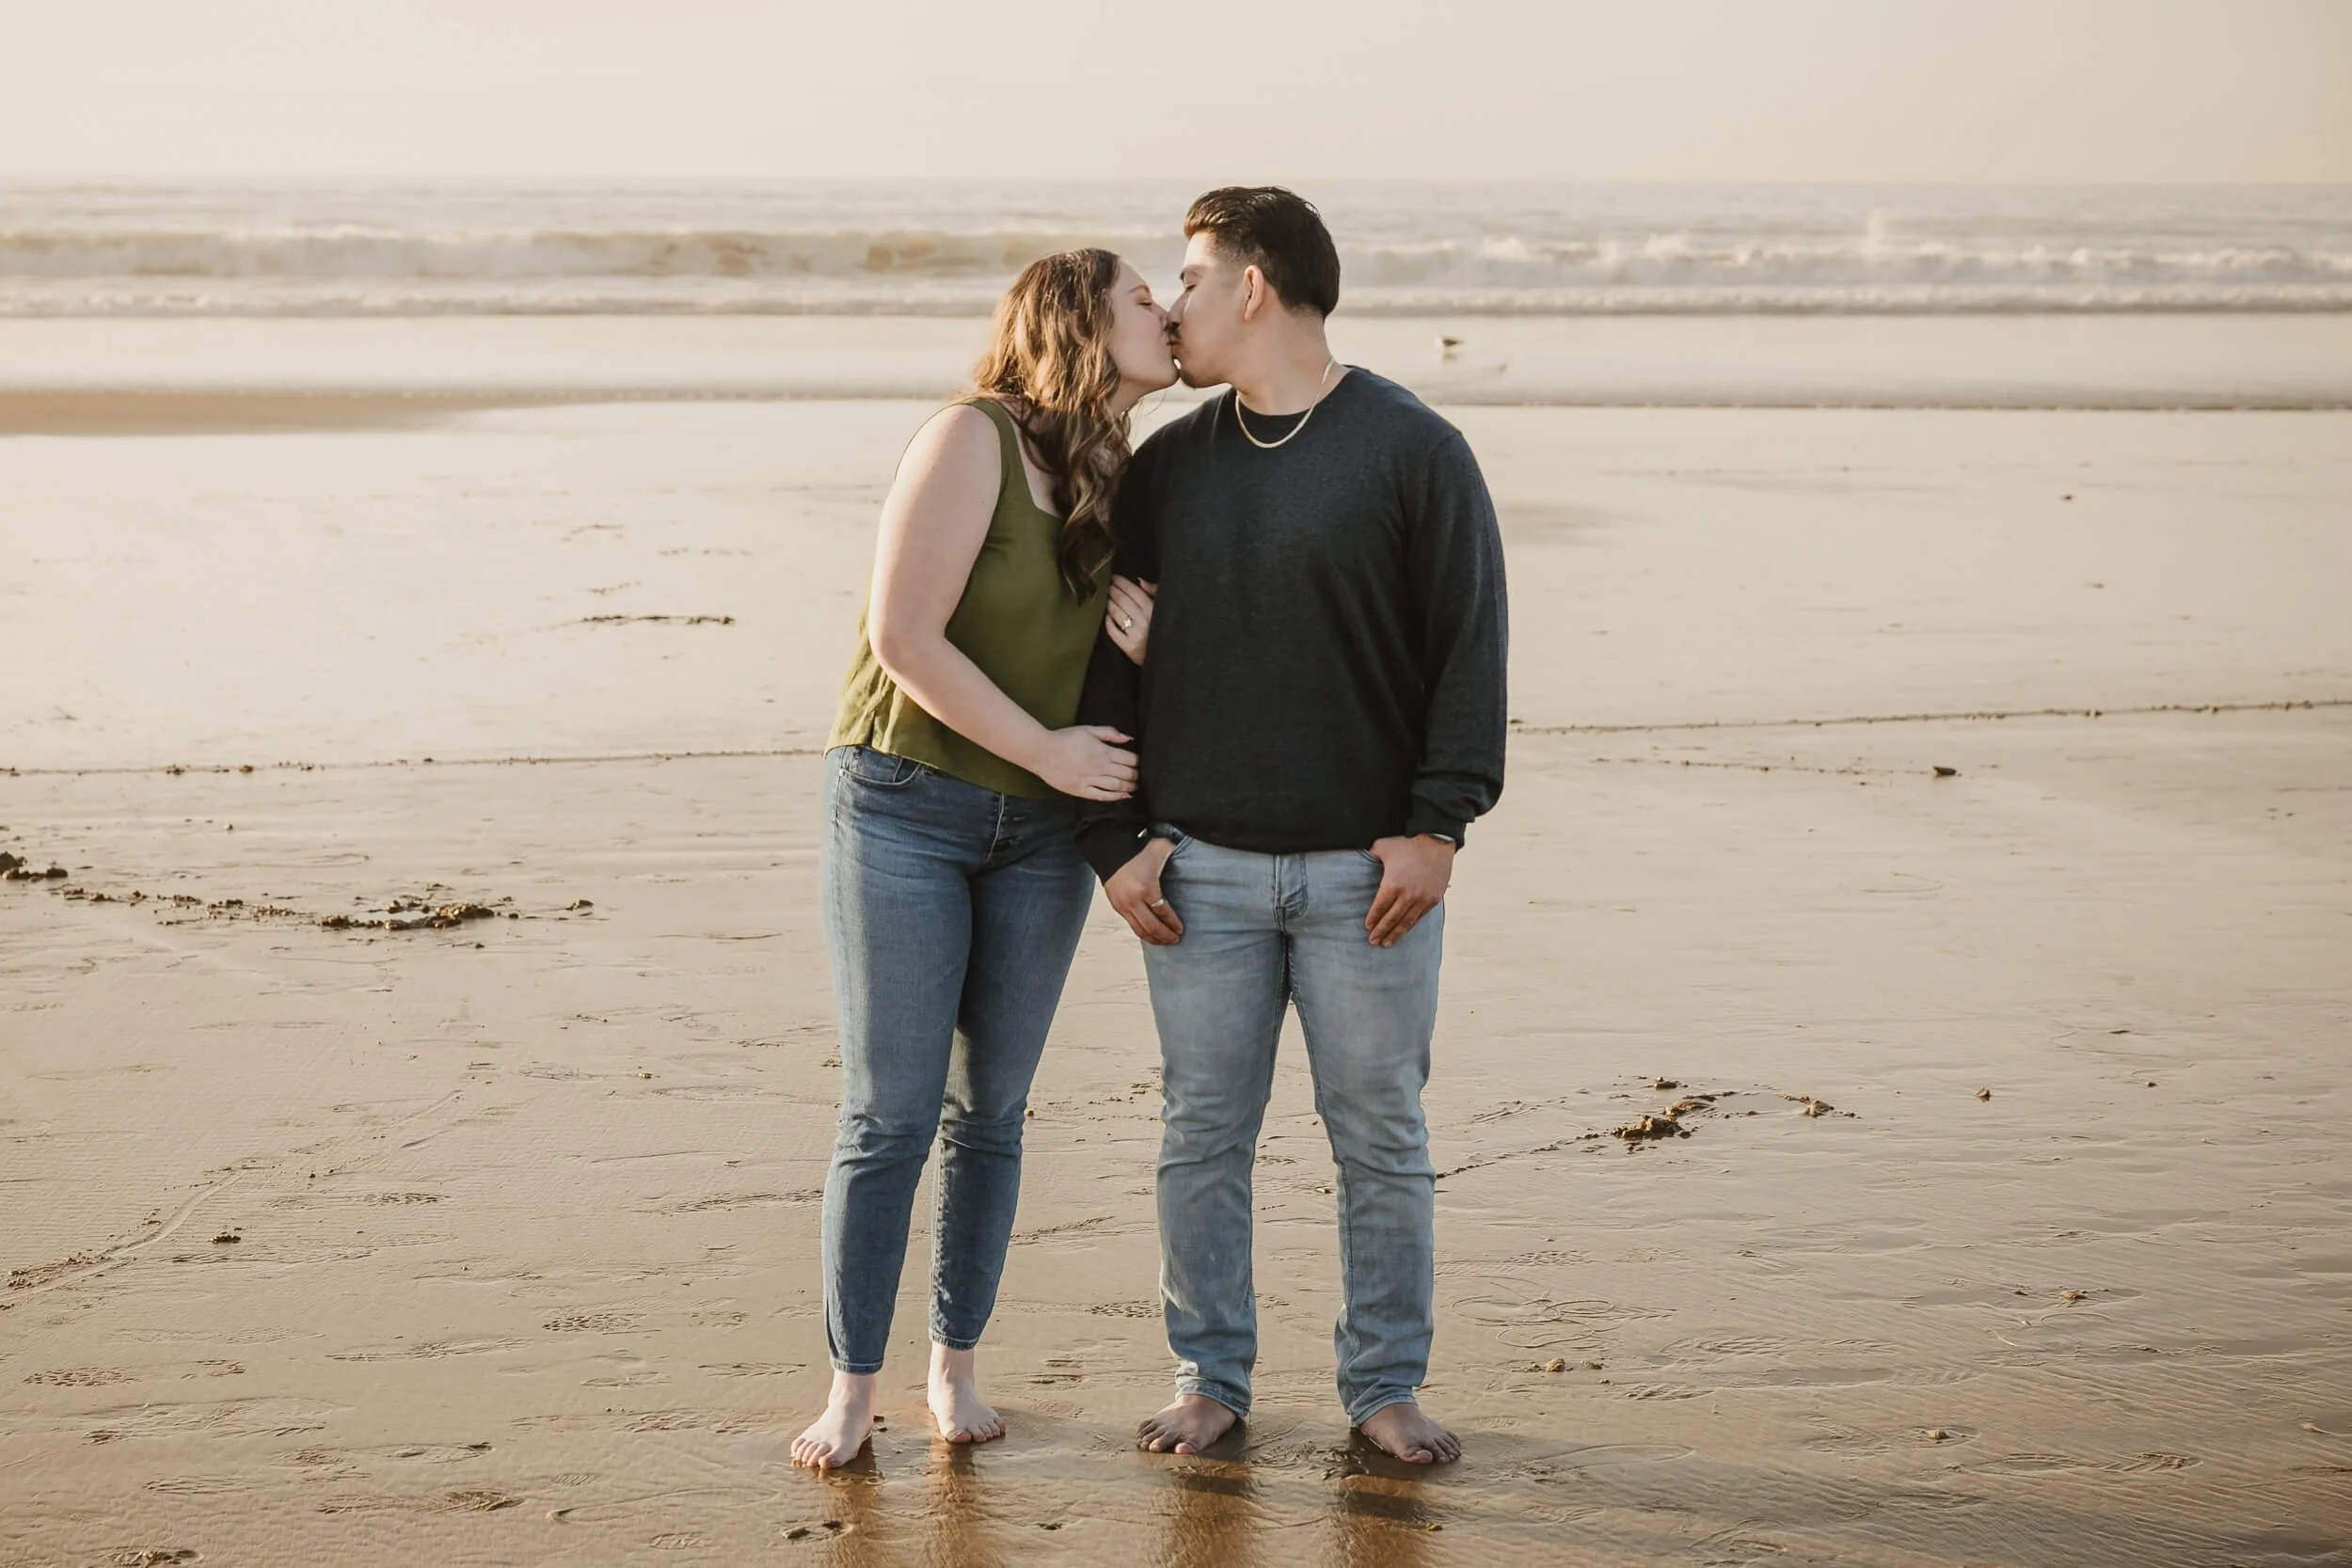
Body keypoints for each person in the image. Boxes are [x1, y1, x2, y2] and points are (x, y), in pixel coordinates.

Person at [1075, 188, 1509, 1465]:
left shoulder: (1411, 448)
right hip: (1193, 872)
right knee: (1200, 1132)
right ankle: (1210, 1376)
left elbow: (1469, 650)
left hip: (1364, 874)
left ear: (1253, 285)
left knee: (1380, 1133)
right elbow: (1108, 670)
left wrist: (1440, 828)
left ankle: (1383, 1387)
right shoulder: (1167, 469)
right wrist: (1119, 843)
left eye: (1192, 279)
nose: (1173, 304)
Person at [791, 249, 1175, 1470]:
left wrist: (1159, 646)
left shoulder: (1127, 481)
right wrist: (1050, 755)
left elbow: (1122, 670)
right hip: (906, 802)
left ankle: (952, 1367)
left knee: (993, 1113)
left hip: (1040, 836)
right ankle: (851, 1388)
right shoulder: (971, 440)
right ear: (1078, 322)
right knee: (890, 1112)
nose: (1166, 315)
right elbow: (904, 637)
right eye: (1141, 301)